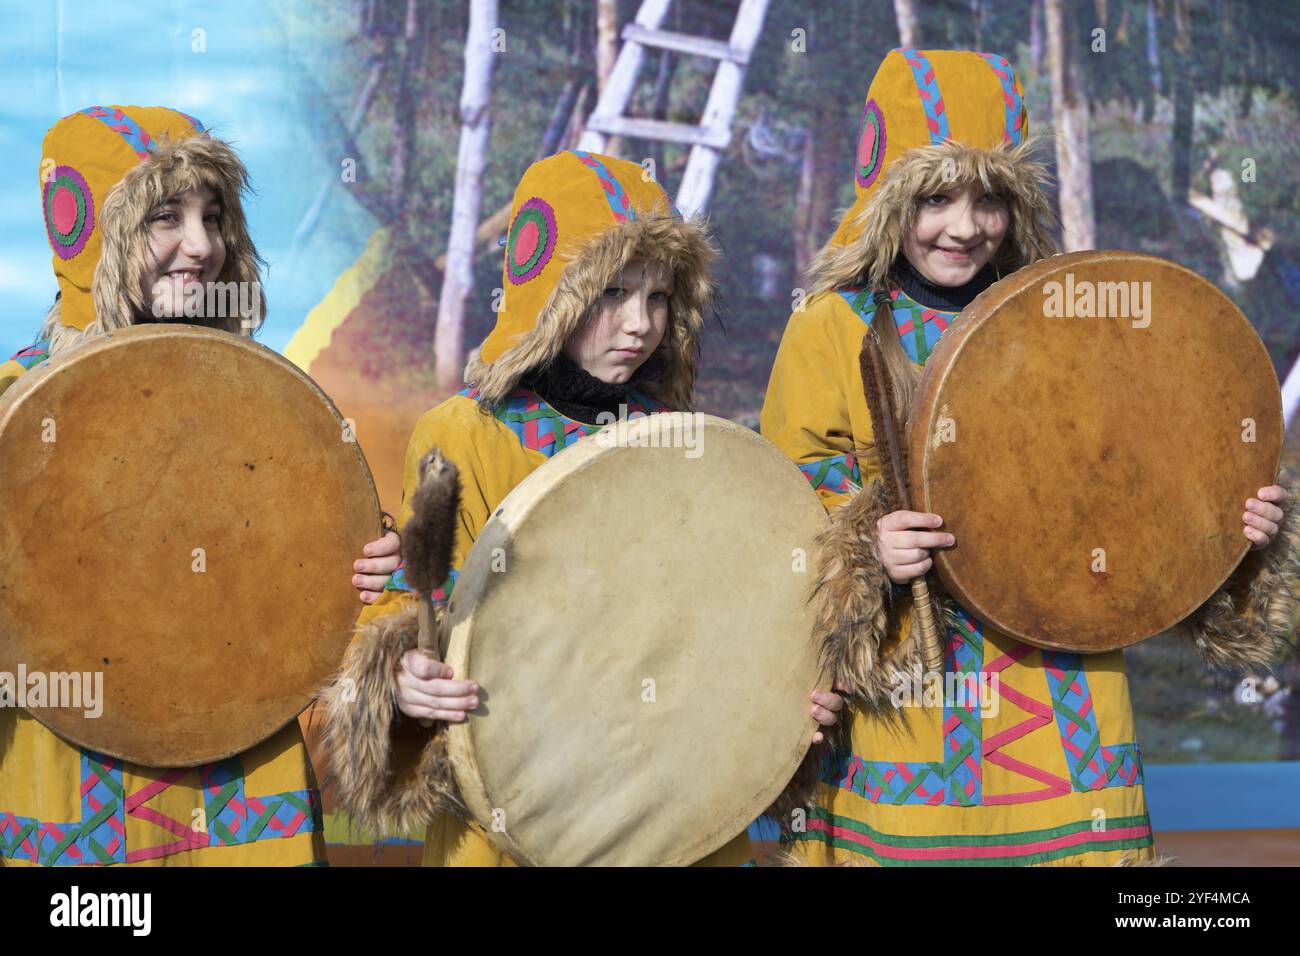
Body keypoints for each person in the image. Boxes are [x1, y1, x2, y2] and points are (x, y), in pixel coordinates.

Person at [760, 50, 1296, 865]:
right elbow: (786, 491)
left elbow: (1130, 474)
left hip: (1065, 686)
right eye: (935, 196)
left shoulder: (1066, 317)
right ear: (886, 194)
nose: (965, 225)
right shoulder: (831, 324)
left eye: (991, 198)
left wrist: (1227, 527)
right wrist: (862, 543)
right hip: (910, 691)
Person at [324, 149, 842, 866]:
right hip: (517, 813)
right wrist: (405, 676)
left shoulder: (685, 444)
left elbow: (726, 624)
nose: (639, 326)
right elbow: (413, 608)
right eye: (612, 295)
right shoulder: (465, 435)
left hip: (675, 815)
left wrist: (783, 698)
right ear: (553, 295)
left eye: (660, 299)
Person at [0, 105, 389, 865]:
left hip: (245, 806)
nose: (203, 247)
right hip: (69, 801)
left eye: (215, 217)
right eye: (164, 217)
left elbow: (334, 595)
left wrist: (375, 581)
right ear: (90, 238)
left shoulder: (277, 411)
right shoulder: (12, 406)